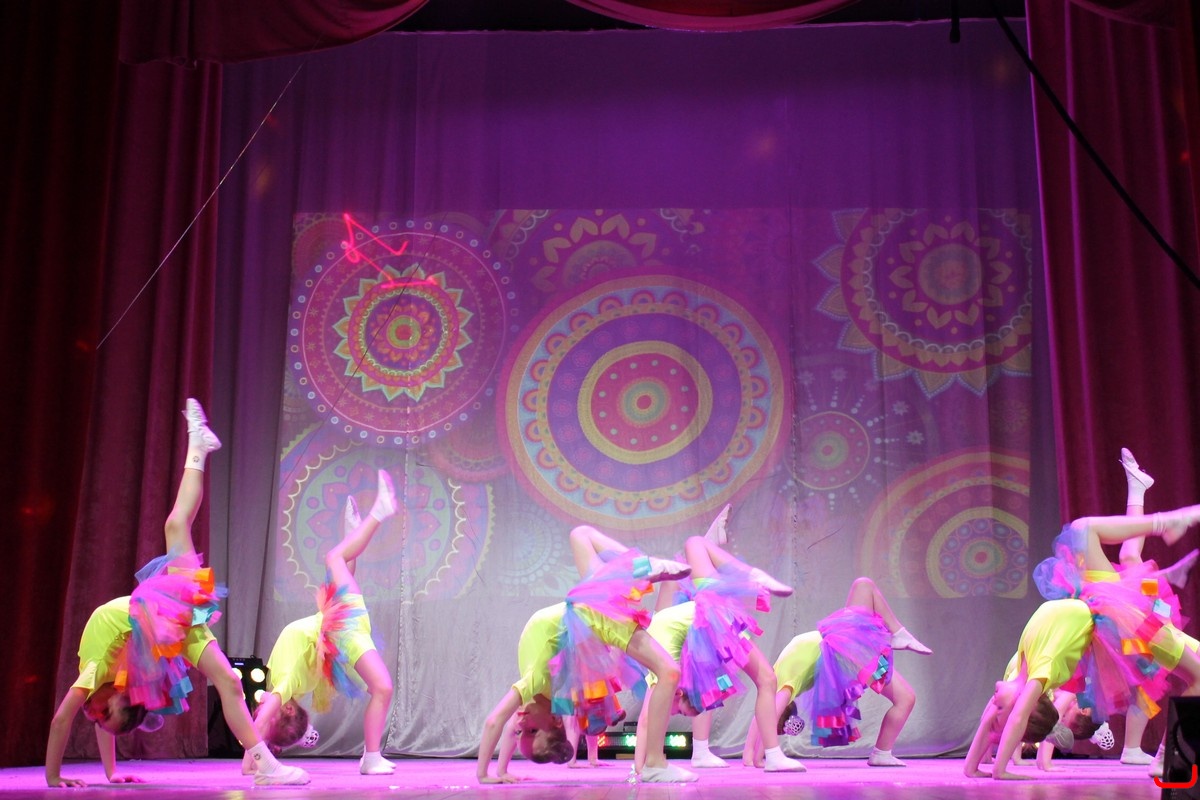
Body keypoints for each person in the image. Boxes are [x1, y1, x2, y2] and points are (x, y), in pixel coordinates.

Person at [44, 400, 309, 788]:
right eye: (103, 716)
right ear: (121, 695)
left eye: (100, 715)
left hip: (155, 615)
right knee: (230, 682)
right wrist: (109, 771)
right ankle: (265, 765)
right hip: (160, 625)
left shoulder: (95, 673)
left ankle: (198, 445)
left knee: (175, 525)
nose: (94, 716)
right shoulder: (110, 681)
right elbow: (93, 722)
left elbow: (60, 720)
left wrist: (55, 777)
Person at [963, 502, 1200, 780]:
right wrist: (1000, 770)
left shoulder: (1021, 667)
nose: (993, 704)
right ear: (1025, 706)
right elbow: (1016, 718)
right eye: (1001, 709)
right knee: (1198, 676)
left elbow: (989, 719)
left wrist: (971, 767)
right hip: (1120, 623)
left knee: (1085, 531)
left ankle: (1163, 532)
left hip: (1097, 603)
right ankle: (1167, 755)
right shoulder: (1041, 670)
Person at [476, 525, 697, 784]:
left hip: (587, 609)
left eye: (520, 732)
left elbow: (500, 723)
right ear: (556, 720)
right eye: (532, 730)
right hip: (593, 616)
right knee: (668, 672)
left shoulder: (535, 692)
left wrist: (493, 773)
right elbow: (496, 723)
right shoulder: (539, 683)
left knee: (581, 535)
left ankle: (643, 566)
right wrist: (487, 773)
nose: (522, 723)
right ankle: (655, 763)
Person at [243, 469, 398, 776]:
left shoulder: (290, 688)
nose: (259, 708)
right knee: (334, 559)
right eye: (267, 713)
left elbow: (262, 729)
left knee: (343, 572)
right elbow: (258, 725)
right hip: (339, 629)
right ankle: (378, 512)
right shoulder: (287, 684)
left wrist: (255, 760)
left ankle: (354, 532)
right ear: (287, 709)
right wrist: (255, 754)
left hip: (334, 625)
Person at [634, 535, 807, 775]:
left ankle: (749, 574)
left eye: (679, 711)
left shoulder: (662, 666)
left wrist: (638, 769)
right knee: (767, 679)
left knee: (694, 545)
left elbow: (646, 720)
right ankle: (774, 756)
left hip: (711, 615)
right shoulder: (675, 671)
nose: (673, 714)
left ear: (680, 694)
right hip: (715, 621)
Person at [742, 576, 928, 769]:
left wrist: (753, 757)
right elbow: (766, 714)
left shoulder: (777, 684)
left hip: (842, 649)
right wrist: (758, 757)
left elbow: (767, 714)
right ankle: (898, 633)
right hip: (844, 652)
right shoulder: (781, 681)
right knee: (863, 585)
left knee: (906, 698)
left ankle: (882, 753)